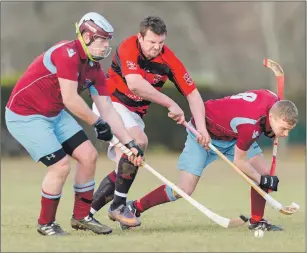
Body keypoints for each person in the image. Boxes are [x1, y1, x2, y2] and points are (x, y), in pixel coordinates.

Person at [5, 12, 144, 236]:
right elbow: (70, 99)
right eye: (102, 40)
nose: (106, 46)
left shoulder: (95, 69)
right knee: (60, 166)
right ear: (87, 36)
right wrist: (97, 122)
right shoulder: (66, 53)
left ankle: (81, 216)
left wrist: (130, 142)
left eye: (108, 40)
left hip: (54, 113)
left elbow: (107, 108)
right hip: (25, 116)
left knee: (88, 156)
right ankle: (46, 223)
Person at [90, 16, 211, 227]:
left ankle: (85, 213)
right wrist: (170, 103)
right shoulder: (128, 47)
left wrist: (201, 129)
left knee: (123, 168)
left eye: (161, 43)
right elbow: (135, 84)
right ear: (140, 37)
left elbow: (193, 94)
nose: (156, 47)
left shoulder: (168, 60)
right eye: (152, 42)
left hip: (134, 114)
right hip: (110, 104)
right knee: (138, 142)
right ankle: (118, 207)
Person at [124, 89, 298, 231]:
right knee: (184, 189)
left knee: (264, 173)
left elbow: (272, 109)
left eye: (289, 130)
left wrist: (263, 176)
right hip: (203, 133)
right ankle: (135, 207)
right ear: (272, 117)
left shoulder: (275, 100)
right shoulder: (249, 124)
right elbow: (240, 162)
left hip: (232, 135)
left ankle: (257, 221)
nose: (285, 134)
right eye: (283, 129)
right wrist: (262, 180)